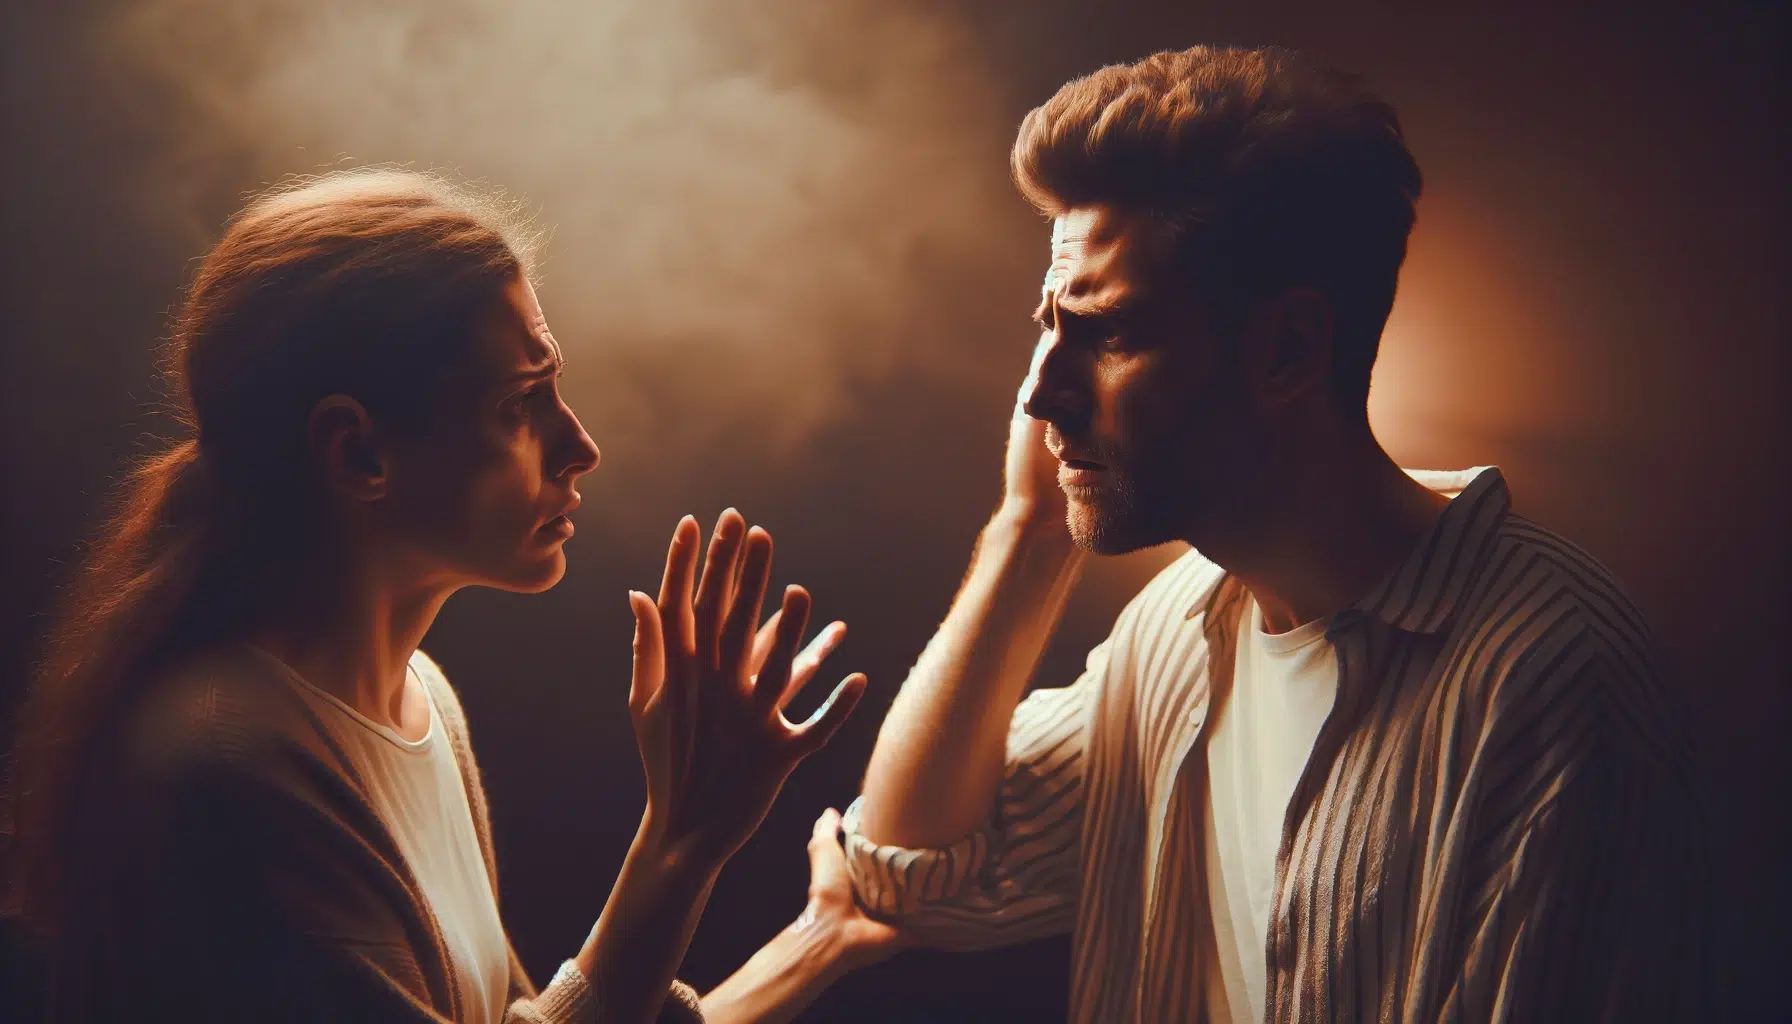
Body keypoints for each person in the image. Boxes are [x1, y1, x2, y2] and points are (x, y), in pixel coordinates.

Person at [840, 45, 1710, 1022]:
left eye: (1107, 330)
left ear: (1289, 346)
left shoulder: (1554, 686)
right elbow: (912, 875)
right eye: (1048, 323)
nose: (1040, 390)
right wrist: (1027, 531)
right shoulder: (1170, 633)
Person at [4, 169, 900, 1024]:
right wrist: (682, 839)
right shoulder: (230, 766)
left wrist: (816, 942)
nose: (580, 445)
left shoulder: (423, 701)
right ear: (357, 453)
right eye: (521, 404)